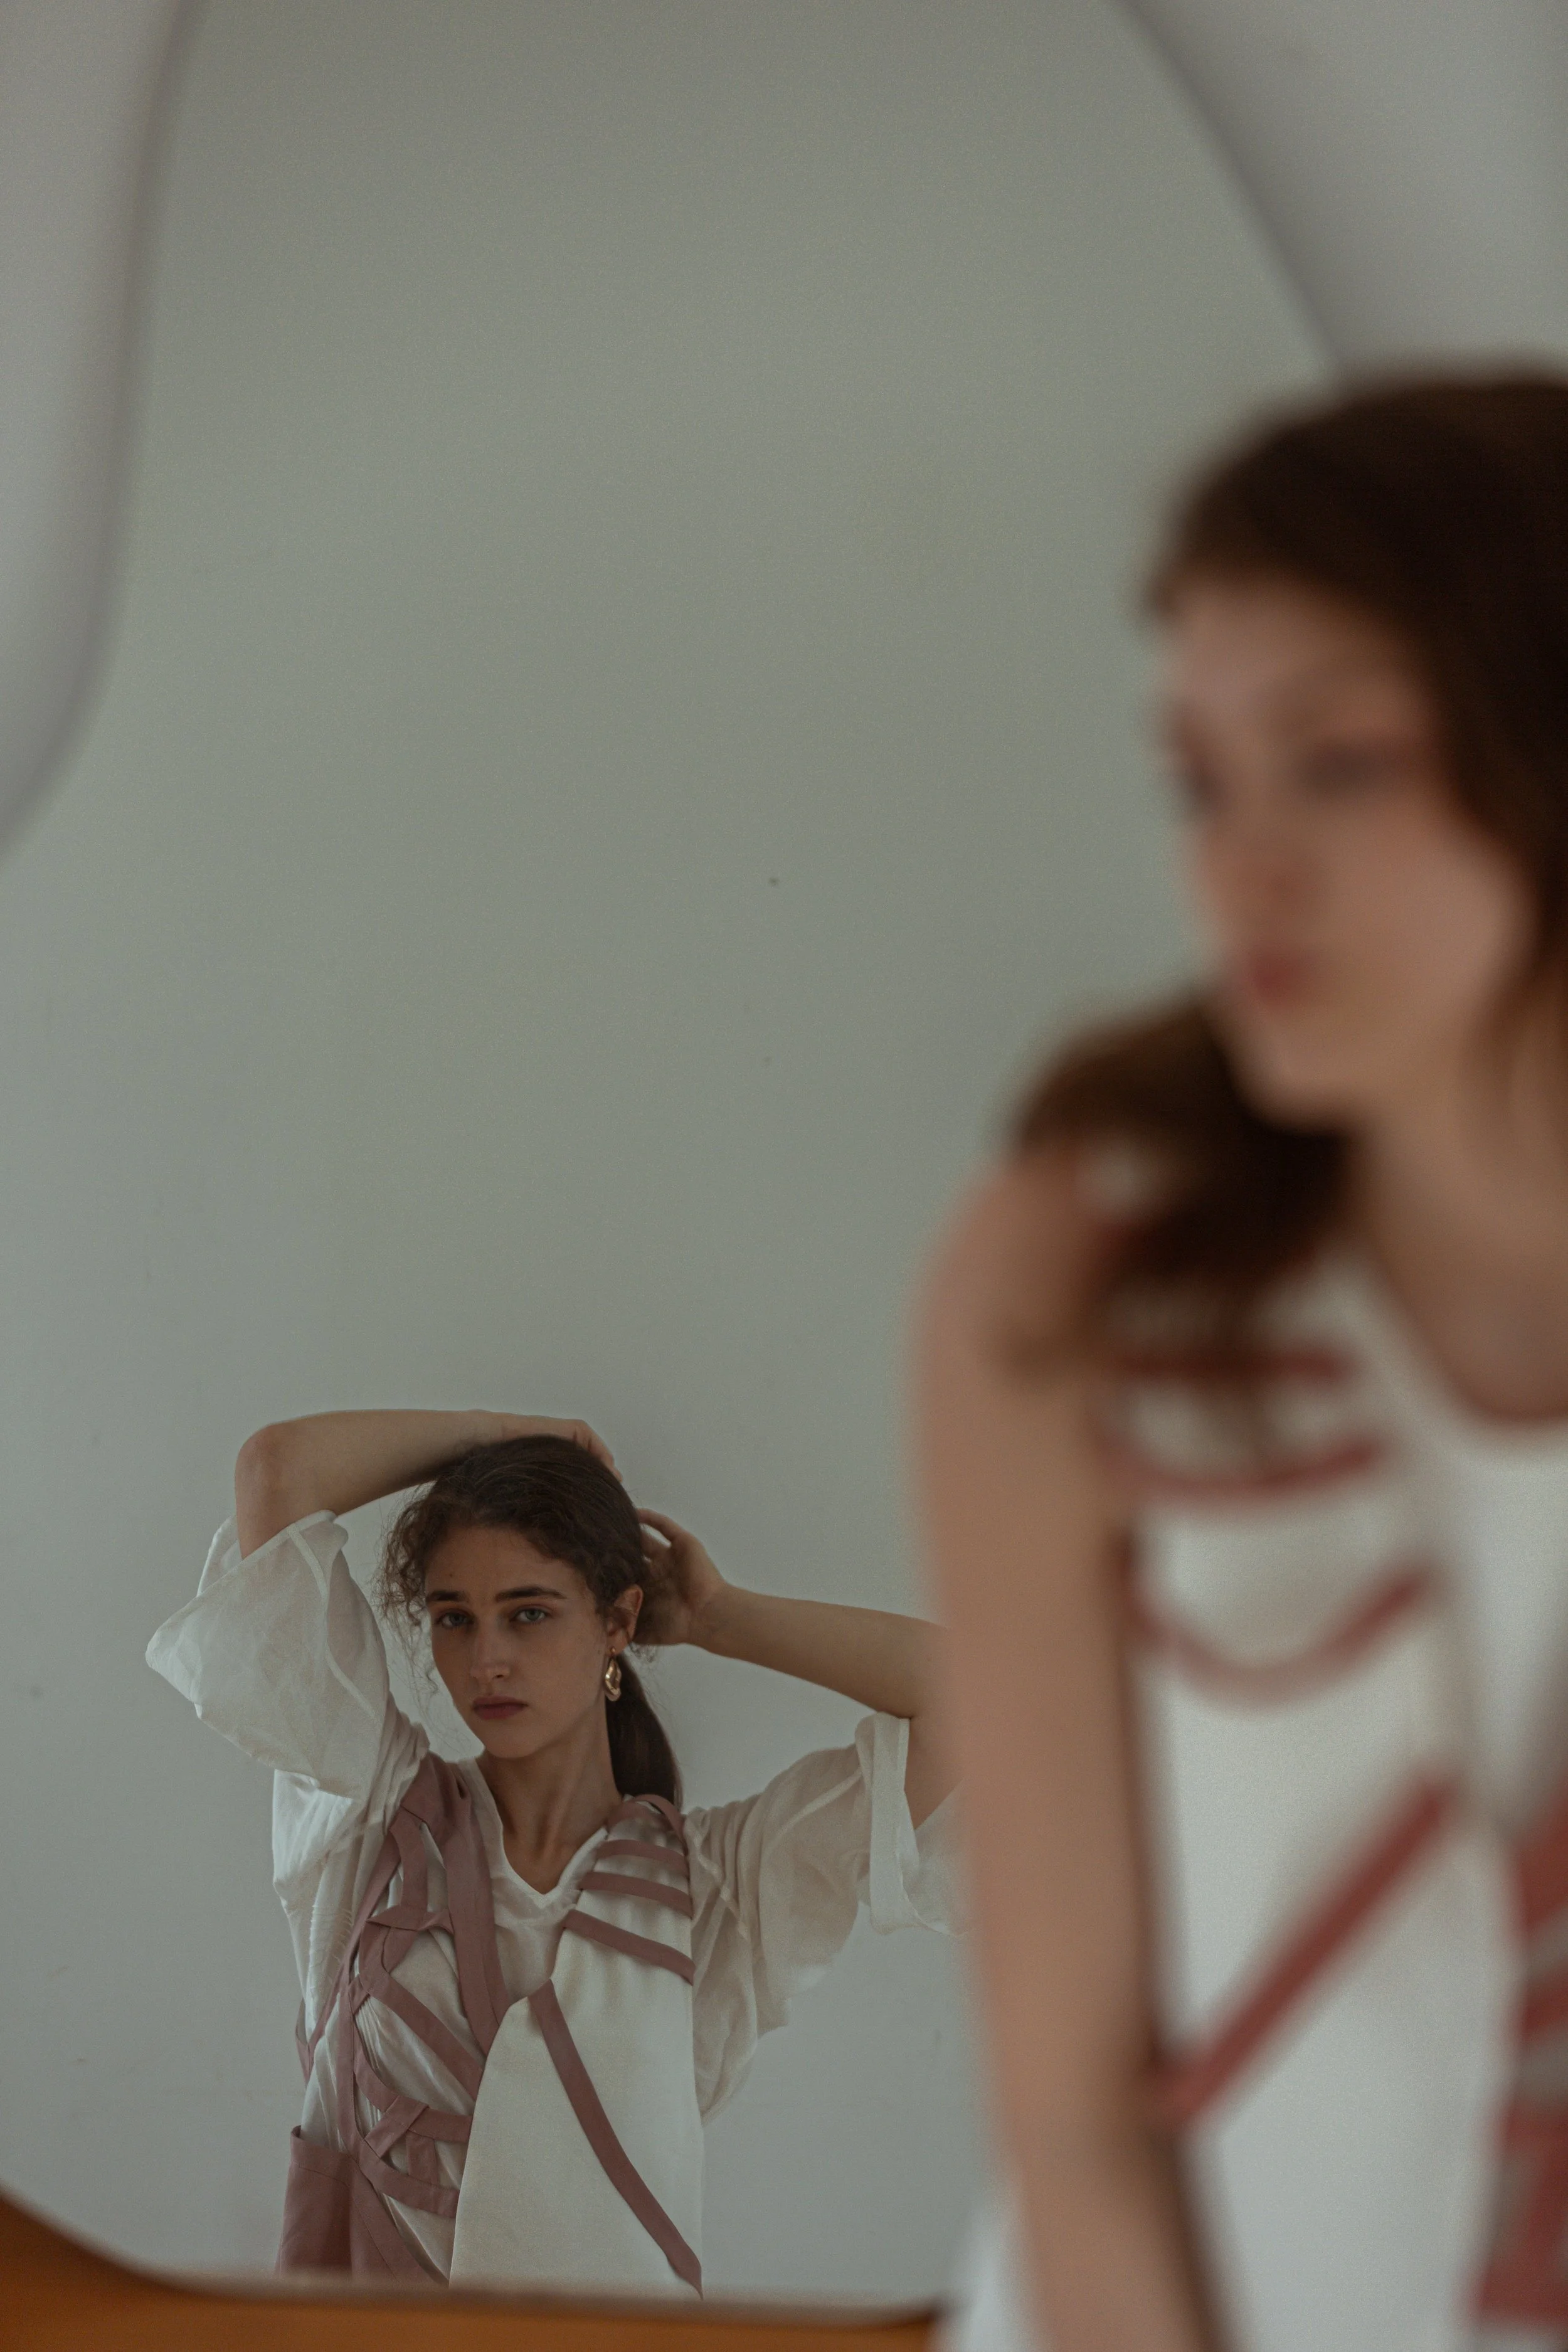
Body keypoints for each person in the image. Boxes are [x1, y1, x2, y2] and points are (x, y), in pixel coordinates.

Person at [916, 371, 1568, 2352]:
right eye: (1200, 782)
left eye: (1335, 764)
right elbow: (1069, 2111)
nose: (1237, 864)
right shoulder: (1072, 1283)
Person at [147, 1410, 957, 2292]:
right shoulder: (371, 1810)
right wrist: (510, 1435)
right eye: (454, 1618)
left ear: (618, 1623)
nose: (486, 1658)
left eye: (528, 1612)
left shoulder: (716, 1888)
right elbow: (276, 1471)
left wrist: (721, 1617)